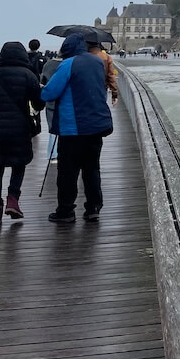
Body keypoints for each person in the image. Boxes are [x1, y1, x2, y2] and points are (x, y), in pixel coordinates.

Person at [40, 33, 113, 223]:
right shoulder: (97, 62)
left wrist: (41, 87)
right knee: (92, 169)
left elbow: (50, 93)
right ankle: (93, 208)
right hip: (96, 125)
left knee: (68, 171)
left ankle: (66, 211)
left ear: (67, 48)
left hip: (73, 127)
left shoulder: (68, 64)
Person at [0, 42, 43, 223]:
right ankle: (13, 199)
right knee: (19, 163)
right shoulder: (29, 76)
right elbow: (39, 104)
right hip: (19, 128)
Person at [84, 32, 119, 105]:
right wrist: (114, 94)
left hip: (85, 89)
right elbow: (111, 76)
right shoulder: (107, 57)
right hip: (102, 88)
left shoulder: (82, 57)